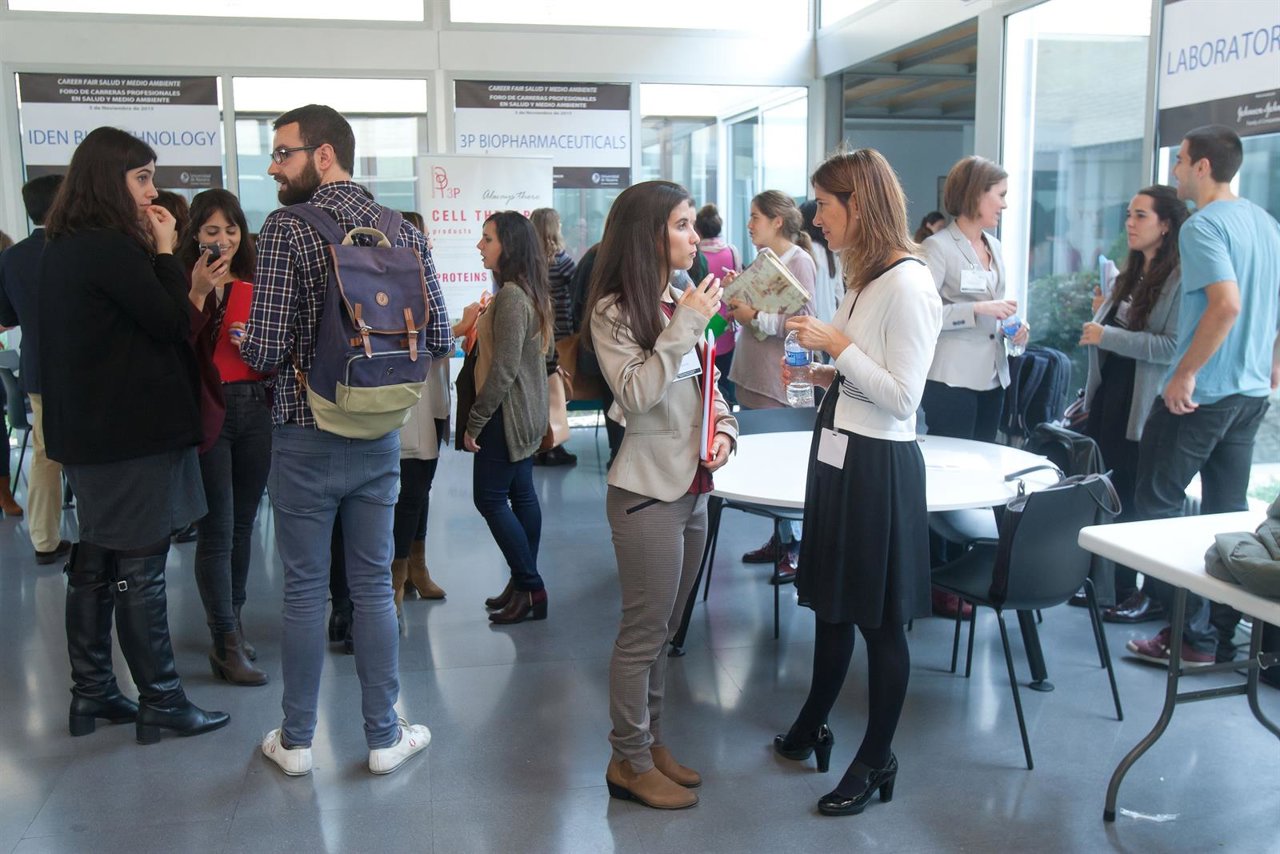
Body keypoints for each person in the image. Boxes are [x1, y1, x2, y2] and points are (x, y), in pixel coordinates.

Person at [237, 104, 451, 776]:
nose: (274, 166)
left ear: (324, 154)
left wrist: (239, 335)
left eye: (283, 152)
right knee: (372, 587)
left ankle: (296, 743)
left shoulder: (286, 229)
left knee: (305, 590)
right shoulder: (400, 232)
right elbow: (440, 338)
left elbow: (267, 350)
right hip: (380, 429)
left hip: (306, 431)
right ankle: (385, 736)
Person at [38, 126, 228, 743]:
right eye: (142, 178)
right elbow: (172, 322)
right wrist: (167, 254)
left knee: (96, 556)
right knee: (140, 566)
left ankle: (92, 692)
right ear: (109, 181)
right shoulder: (115, 250)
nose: (154, 192)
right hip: (127, 436)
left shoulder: (65, 245)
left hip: (93, 435)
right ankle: (163, 700)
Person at [776, 148, 941, 818]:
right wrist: (827, 372)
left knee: (879, 621)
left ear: (859, 205)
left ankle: (876, 758)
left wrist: (836, 348)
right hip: (840, 450)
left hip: (878, 466)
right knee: (832, 602)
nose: (816, 218)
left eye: (825, 205)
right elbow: (864, 373)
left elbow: (903, 397)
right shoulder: (863, 278)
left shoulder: (908, 283)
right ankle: (815, 720)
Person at [584, 180, 737, 810]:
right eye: (680, 224)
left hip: (694, 485)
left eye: (691, 224)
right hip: (646, 492)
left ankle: (652, 744)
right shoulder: (614, 311)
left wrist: (725, 427)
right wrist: (685, 325)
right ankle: (628, 758)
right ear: (649, 234)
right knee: (643, 632)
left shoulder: (680, 296)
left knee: (668, 630)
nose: (693, 236)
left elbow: (708, 386)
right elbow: (636, 395)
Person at [1125, 125, 1280, 668]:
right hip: (1250, 393)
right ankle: (1216, 634)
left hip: (1204, 394)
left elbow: (1227, 305)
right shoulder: (1265, 222)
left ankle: (1185, 635)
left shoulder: (1203, 226)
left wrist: (1185, 373)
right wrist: (1274, 362)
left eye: (1181, 161)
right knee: (1227, 514)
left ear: (1204, 167)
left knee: (1158, 508)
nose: (1174, 171)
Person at [1076, 185, 1187, 616]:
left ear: (1165, 225)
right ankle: (1110, 586)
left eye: (1141, 216)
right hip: (1112, 394)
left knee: (1139, 499)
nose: (1130, 223)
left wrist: (1109, 334)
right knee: (1113, 491)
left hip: (1143, 401)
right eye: (1128, 214)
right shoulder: (1130, 270)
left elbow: (1170, 346)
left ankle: (1141, 593)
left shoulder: (1178, 277)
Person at [180, 188, 271, 687]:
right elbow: (174, 347)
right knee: (217, 527)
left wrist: (257, 344)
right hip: (209, 408)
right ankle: (225, 641)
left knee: (243, 526)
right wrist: (198, 294)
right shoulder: (182, 280)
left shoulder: (255, 281)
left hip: (255, 406)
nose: (223, 240)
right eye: (212, 231)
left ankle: (232, 622)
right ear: (195, 234)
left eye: (231, 230)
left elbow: (276, 349)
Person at [464, 211, 553, 624]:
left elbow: (503, 368)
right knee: (520, 495)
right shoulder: (525, 292)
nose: (480, 246)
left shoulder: (514, 297)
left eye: (487, 239)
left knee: (490, 498)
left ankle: (531, 585)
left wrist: (476, 420)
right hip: (523, 412)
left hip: (506, 414)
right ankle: (522, 583)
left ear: (508, 247)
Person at [728, 190, 818, 582]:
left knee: (783, 465)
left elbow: (805, 324)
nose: (749, 225)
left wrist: (755, 315)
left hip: (776, 377)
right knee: (763, 463)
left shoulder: (800, 262)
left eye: (755, 217)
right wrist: (738, 298)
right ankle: (780, 539)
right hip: (749, 371)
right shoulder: (765, 260)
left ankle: (794, 545)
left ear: (777, 221)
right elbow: (747, 314)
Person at [919, 156, 1028, 443]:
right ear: (976, 193)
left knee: (985, 460)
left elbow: (997, 301)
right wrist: (976, 309)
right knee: (954, 464)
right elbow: (923, 314)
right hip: (951, 377)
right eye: (1000, 195)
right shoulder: (937, 247)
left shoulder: (995, 246)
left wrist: (1015, 326)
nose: (1004, 205)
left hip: (994, 375)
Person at [0, 175, 70, 550]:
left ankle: (44, 539)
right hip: (87, 369)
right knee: (95, 458)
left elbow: (6, 316)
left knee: (45, 455)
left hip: (38, 369)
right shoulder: (81, 250)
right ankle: (102, 541)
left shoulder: (10, 258)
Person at [530, 206, 578, 467]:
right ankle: (555, 443)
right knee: (557, 394)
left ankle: (539, 445)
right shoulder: (561, 260)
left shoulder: (529, 261)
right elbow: (579, 287)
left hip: (537, 334)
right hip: (561, 334)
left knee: (538, 393)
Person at [695, 203, 741, 405]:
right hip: (727, 322)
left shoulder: (694, 255)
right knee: (724, 376)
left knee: (706, 379)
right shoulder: (731, 251)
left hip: (703, 321)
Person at [802, 199, 844, 323]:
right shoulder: (831, 254)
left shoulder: (805, 251)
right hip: (830, 321)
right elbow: (840, 295)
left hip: (812, 323)